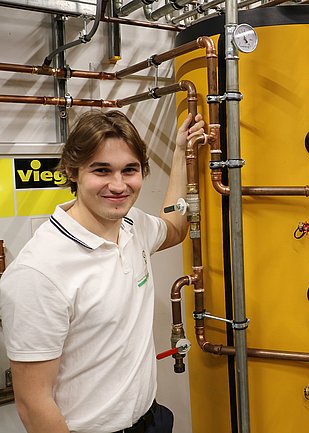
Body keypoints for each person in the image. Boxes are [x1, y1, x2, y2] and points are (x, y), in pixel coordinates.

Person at [0, 109, 205, 433]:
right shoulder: (38, 273)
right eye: (102, 170)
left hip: (152, 419)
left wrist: (181, 152)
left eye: (129, 170)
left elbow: (175, 228)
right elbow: (33, 403)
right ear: (72, 171)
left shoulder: (133, 224)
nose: (118, 185)